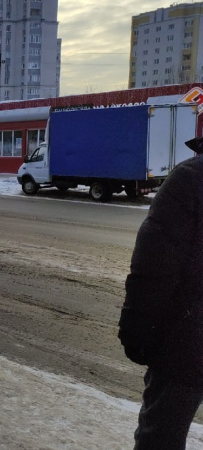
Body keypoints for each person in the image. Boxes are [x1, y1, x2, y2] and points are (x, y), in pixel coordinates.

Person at [118, 137, 203, 449]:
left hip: (188, 345)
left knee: (161, 436)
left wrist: (137, 331)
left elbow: (155, 266)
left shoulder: (190, 179)